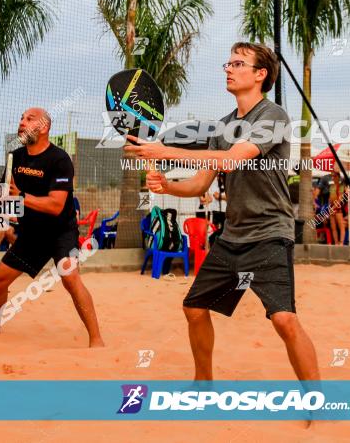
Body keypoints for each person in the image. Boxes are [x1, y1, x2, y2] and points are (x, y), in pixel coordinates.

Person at [127, 41, 320, 381]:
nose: (228, 69)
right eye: (227, 63)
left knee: (284, 320)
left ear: (260, 74)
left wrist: (165, 149)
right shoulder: (222, 128)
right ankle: (203, 382)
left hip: (270, 233)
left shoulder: (273, 116)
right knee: (195, 308)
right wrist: (169, 187)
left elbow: (232, 159)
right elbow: (200, 185)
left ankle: (317, 404)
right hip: (233, 235)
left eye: (237, 64)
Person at [0, 107, 105, 348]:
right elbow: (6, 196)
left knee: (70, 278)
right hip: (32, 234)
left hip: (61, 231)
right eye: (21, 118)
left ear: (44, 128)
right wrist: (0, 218)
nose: (21, 122)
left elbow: (56, 205)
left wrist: (20, 197)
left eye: (29, 119)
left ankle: (96, 339)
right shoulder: (15, 157)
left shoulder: (59, 159)